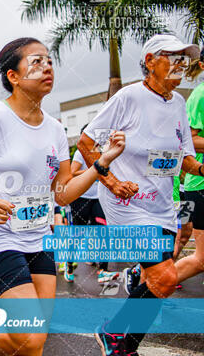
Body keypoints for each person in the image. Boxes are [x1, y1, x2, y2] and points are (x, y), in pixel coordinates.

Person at [0, 37, 126, 356]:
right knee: (29, 337)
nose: (47, 67)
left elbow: (63, 194)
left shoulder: (55, 130)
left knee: (32, 346)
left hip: (39, 241)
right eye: (36, 62)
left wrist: (102, 163)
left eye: (49, 61)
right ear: (14, 77)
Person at [76, 34, 204, 356]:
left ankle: (119, 339)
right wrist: (111, 182)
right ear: (149, 61)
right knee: (166, 276)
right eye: (172, 57)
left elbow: (185, 157)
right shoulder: (128, 98)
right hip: (127, 204)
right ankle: (119, 340)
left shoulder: (177, 103)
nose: (180, 64)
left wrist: (201, 170)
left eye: (183, 59)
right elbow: (86, 143)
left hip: (161, 206)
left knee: (157, 282)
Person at [70, 125, 119, 284]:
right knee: (78, 235)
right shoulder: (79, 153)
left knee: (103, 232)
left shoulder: (102, 154)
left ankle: (103, 270)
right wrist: (93, 171)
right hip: (81, 198)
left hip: (98, 198)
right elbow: (72, 172)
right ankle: (70, 265)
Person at [175, 46, 204, 289]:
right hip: (198, 185)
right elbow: (190, 141)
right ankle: (148, 281)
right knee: (198, 255)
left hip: (186, 191)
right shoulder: (199, 96)